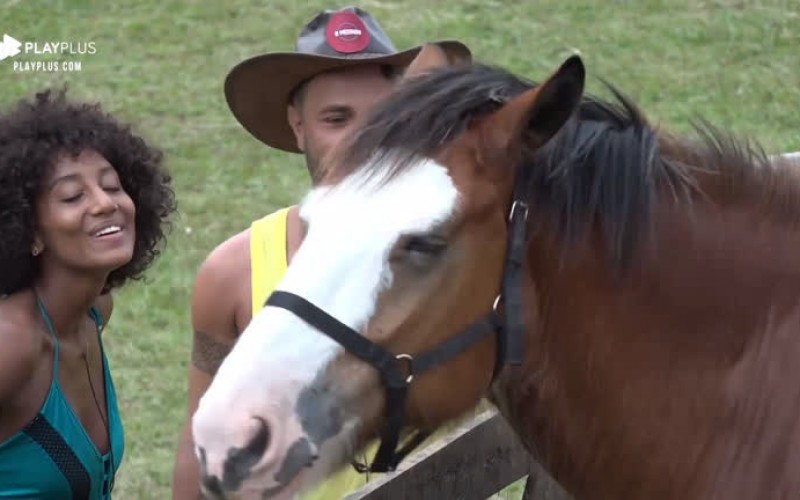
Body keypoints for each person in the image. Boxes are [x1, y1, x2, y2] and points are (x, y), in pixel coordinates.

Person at [171, 6, 471, 499]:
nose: (361, 141)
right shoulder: (232, 274)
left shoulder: (451, 263)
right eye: (337, 119)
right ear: (298, 127)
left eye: (381, 119)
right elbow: (198, 446)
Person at [0, 88, 176, 499]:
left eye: (112, 187)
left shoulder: (94, 314)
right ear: (29, 231)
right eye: (72, 196)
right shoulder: (12, 343)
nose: (104, 204)